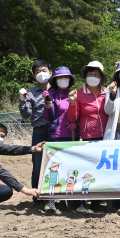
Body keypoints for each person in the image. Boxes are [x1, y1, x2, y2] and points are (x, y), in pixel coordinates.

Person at [67, 61, 110, 213]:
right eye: (90, 74)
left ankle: (97, 203)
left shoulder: (108, 92)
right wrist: (72, 103)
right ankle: (80, 202)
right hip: (88, 137)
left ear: (101, 77)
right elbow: (72, 118)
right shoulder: (78, 93)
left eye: (96, 74)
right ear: (85, 76)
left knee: (101, 170)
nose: (92, 77)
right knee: (86, 169)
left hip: (107, 137)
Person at [40, 66, 77, 213]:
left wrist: (75, 122)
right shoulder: (51, 94)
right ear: (55, 80)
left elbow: (79, 113)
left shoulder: (74, 94)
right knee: (53, 168)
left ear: (70, 79)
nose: (63, 80)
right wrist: (47, 101)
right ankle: (50, 200)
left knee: (71, 168)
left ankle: (68, 199)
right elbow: (49, 116)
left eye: (66, 77)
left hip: (72, 136)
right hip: (55, 135)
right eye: (60, 77)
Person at [18, 59, 52, 207]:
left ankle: (57, 197)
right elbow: (26, 115)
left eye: (44, 71)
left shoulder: (58, 90)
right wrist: (22, 101)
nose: (41, 73)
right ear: (33, 76)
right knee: (37, 166)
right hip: (39, 132)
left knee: (56, 164)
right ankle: (37, 198)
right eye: (37, 72)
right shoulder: (30, 93)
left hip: (56, 132)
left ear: (50, 73)